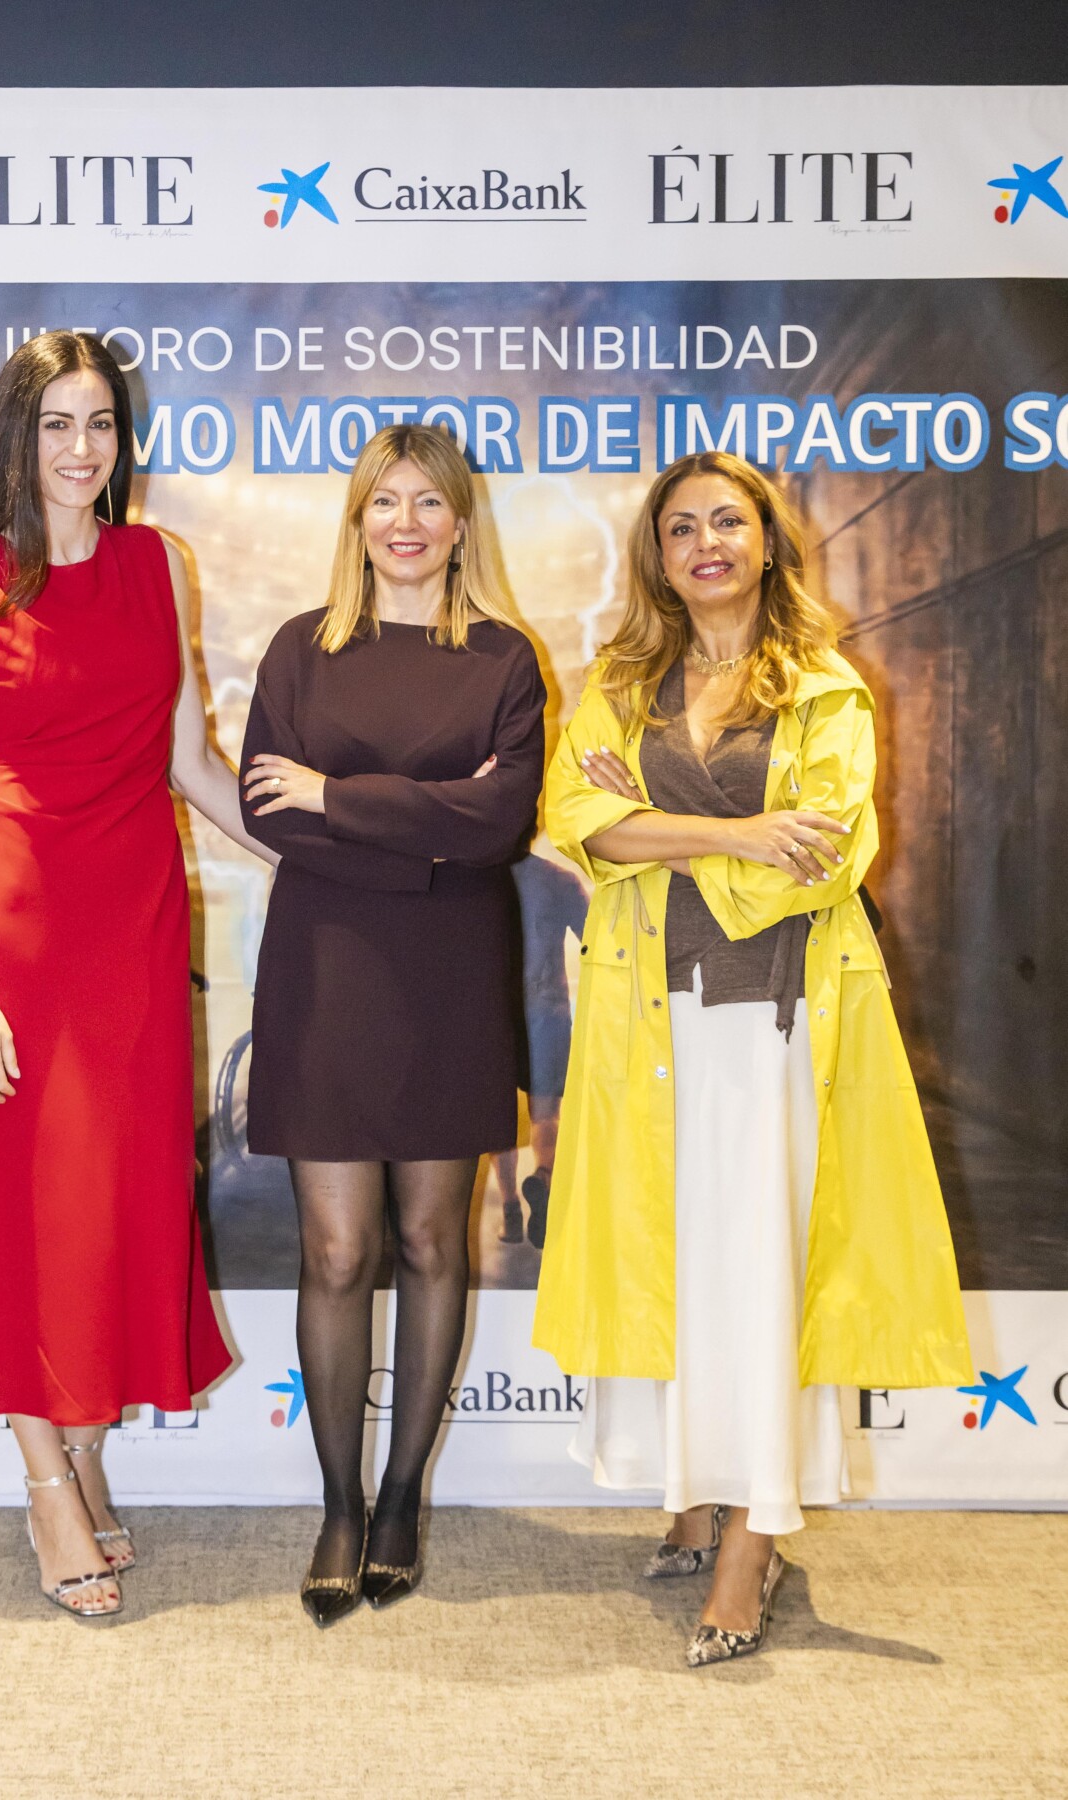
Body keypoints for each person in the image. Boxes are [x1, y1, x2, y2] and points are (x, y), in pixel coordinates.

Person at [532, 451, 971, 1666]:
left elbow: (821, 857)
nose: (706, 544)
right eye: (681, 528)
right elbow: (577, 821)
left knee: (761, 1269)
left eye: (728, 522)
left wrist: (656, 829)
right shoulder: (623, 681)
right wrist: (735, 830)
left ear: (768, 542)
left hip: (776, 1027)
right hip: (651, 1019)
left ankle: (752, 1536)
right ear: (657, 556)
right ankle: (695, 1491)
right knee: (681, 1266)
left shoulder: (825, 689)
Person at [0, 330, 269, 1618]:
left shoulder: (157, 565)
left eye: (101, 423)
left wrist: (332, 850)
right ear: (17, 435)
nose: (81, 448)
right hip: (17, 930)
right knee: (27, 1205)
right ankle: (44, 1476)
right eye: (56, 423)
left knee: (112, 1202)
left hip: (137, 925)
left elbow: (190, 762)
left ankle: (85, 1443)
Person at [240, 423, 545, 1625]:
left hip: (449, 981)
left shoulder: (504, 660)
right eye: (384, 501)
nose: (405, 523)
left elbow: (503, 823)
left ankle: (404, 1495)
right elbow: (274, 817)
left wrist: (340, 796)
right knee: (334, 1251)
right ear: (356, 520)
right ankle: (338, 1503)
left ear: (462, 523)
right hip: (324, 972)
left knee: (430, 1241)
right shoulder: (301, 649)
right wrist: (427, 831)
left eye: (428, 502)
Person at [491, 851, 589, 1249]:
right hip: (547, 1010)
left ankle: (511, 1211)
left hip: (493, 1015)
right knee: (546, 1114)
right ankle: (544, 1178)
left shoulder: (480, 876)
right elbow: (595, 942)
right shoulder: (560, 879)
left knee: (497, 1118)